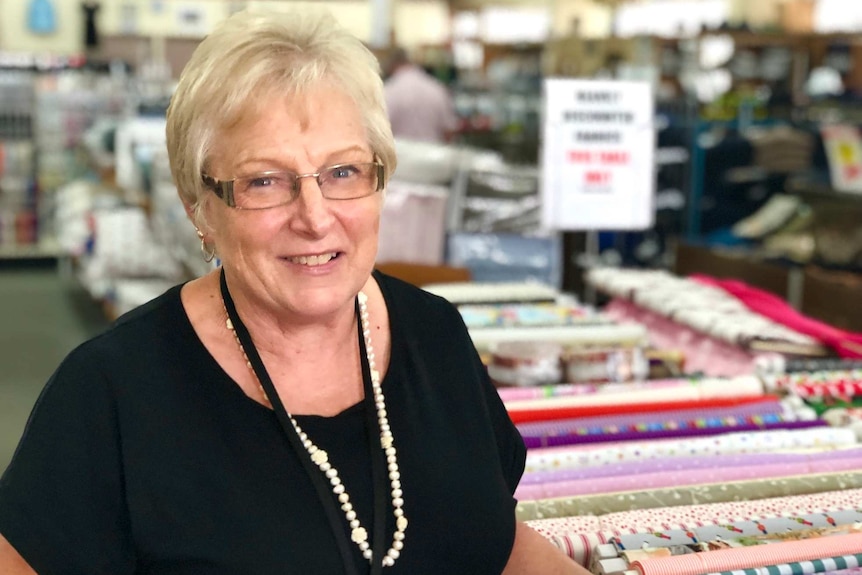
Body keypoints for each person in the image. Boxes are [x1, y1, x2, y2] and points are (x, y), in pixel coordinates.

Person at [0, 8, 588, 575]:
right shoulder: (111, 395)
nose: (315, 217)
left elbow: (495, 543)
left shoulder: (436, 334)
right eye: (264, 181)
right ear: (199, 207)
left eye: (343, 172)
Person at [383, 47, 458, 144]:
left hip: (401, 155)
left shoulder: (389, 91)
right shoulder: (437, 89)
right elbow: (449, 131)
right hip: (434, 155)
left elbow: (380, 134)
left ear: (392, 65)